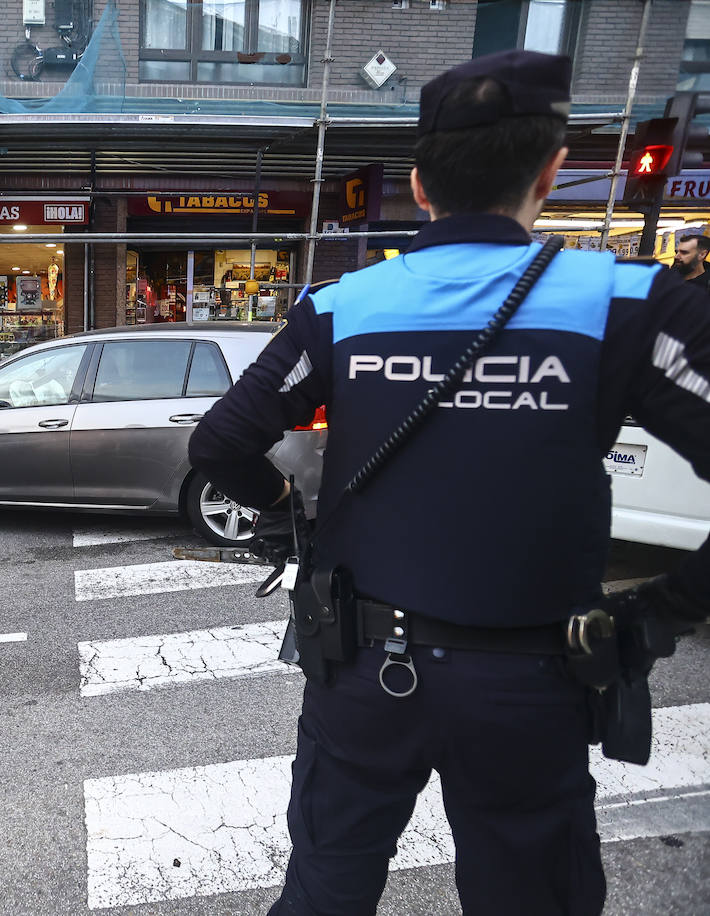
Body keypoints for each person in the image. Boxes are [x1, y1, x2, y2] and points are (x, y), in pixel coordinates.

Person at [188, 50, 710, 914]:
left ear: (420, 185)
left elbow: (218, 445)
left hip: (362, 669)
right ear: (551, 170)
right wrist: (661, 610)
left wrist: (286, 508)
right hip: (531, 685)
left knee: (325, 889)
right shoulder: (629, 300)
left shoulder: (342, 306)